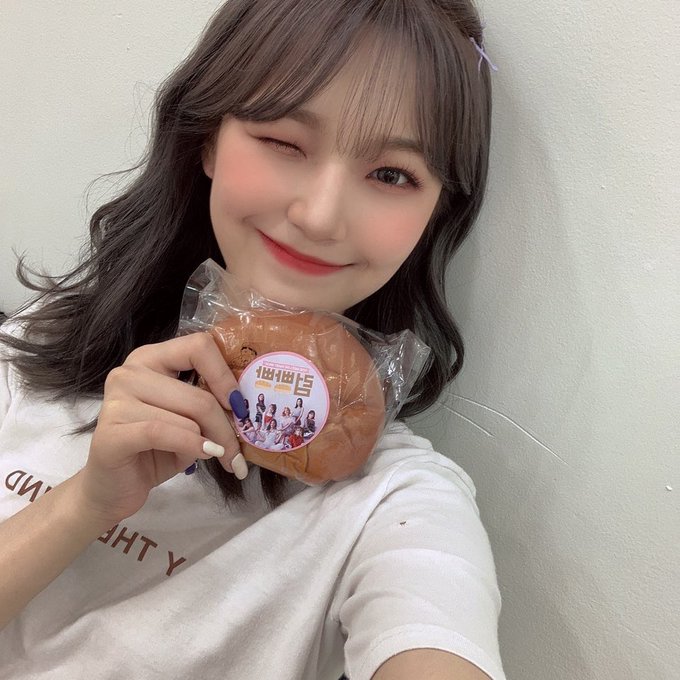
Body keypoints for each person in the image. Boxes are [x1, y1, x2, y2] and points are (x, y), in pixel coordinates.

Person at [0, 1, 504, 679]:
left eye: (391, 175)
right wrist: (85, 503)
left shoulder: (395, 503)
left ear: (436, 211)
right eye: (284, 141)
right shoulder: (40, 345)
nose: (319, 216)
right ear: (207, 139)